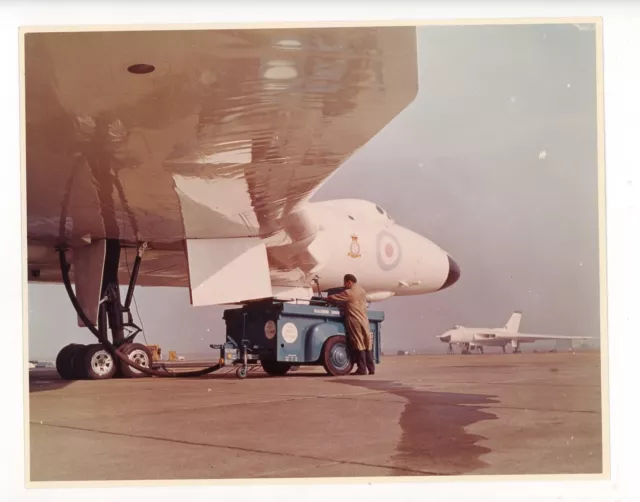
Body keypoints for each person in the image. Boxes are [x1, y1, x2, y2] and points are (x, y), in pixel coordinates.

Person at [327, 274, 375, 375]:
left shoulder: (349, 292)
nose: (344, 285)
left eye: (345, 283)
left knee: (359, 343)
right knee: (367, 343)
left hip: (355, 320)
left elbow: (335, 297)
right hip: (364, 320)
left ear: (349, 282)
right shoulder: (362, 290)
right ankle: (371, 369)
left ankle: (362, 369)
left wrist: (327, 297)